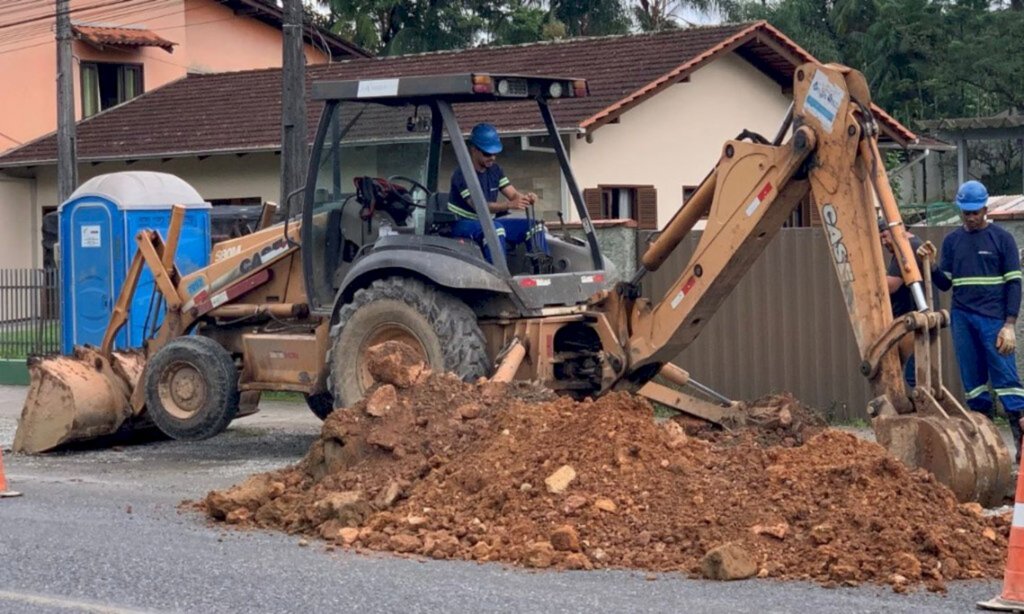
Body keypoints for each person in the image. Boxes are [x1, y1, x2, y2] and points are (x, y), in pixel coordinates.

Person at [928, 180, 1024, 462]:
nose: (970, 217)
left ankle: (1021, 445)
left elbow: (1015, 284)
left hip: (994, 320)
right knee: (974, 385)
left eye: (975, 212)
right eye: (965, 213)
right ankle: (988, 449)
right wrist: (933, 266)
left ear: (985, 208)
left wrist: (1010, 324)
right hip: (963, 318)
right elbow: (945, 284)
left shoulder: (1002, 240)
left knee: (1007, 381)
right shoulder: (953, 242)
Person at [447, 123, 548, 263]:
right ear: (473, 149)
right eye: (487, 153)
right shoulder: (462, 174)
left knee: (535, 226)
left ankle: (542, 272)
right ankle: (499, 277)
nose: (492, 157)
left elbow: (513, 194)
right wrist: (509, 205)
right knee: (495, 229)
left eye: (495, 153)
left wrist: (525, 198)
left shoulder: (495, 170)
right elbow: (479, 207)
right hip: (462, 223)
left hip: (488, 222)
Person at [878, 218, 924, 387]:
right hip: (912, 318)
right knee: (915, 373)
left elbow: (891, 286)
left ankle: (920, 408)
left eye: (884, 236)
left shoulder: (905, 248)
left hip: (909, 320)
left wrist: (873, 272)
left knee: (912, 376)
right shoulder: (913, 245)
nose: (883, 242)